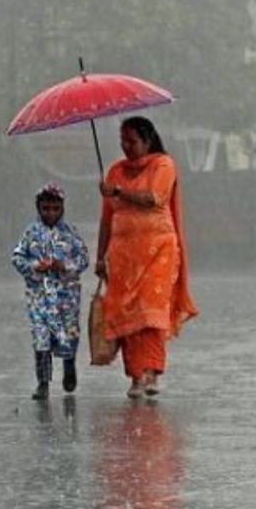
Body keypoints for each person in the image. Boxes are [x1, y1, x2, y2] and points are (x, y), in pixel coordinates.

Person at [95, 117, 198, 399]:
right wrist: (100, 256)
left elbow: (154, 198)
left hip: (159, 252)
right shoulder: (115, 171)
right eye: (122, 141)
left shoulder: (163, 165)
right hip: (123, 256)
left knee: (150, 313)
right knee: (128, 314)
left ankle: (152, 373)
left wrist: (118, 191)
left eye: (132, 141)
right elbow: (107, 219)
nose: (126, 147)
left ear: (147, 139)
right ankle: (136, 377)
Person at [10, 183, 89, 401]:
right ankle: (43, 382)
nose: (51, 213)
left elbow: (84, 260)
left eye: (55, 208)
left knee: (69, 333)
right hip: (39, 295)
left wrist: (64, 266)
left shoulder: (71, 233)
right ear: (39, 208)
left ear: (62, 208)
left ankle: (69, 364)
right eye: (46, 208)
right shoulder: (30, 233)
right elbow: (17, 258)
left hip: (67, 295)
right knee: (41, 337)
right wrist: (35, 267)